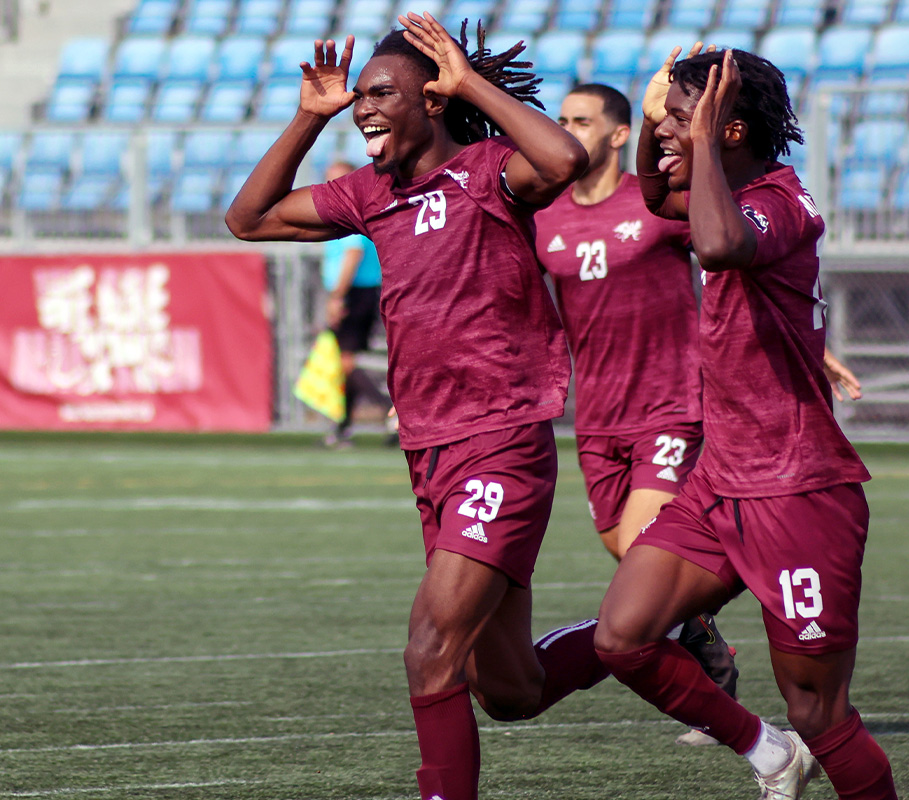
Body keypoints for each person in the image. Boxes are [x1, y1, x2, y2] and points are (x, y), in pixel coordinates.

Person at [226, 14, 611, 800]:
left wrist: (469, 80)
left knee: (430, 649)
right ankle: (646, 633)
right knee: (509, 690)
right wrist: (309, 115)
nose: (363, 106)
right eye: (359, 95)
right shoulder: (372, 193)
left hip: (501, 440)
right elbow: (248, 219)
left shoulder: (490, 171)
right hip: (430, 451)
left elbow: (565, 158)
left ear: (432, 100)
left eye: (380, 93)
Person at [593, 46, 898, 800]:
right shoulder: (717, 188)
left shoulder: (779, 202)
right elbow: (659, 196)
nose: (664, 128)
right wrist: (665, 114)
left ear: (728, 132)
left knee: (820, 712)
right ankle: (769, 753)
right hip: (720, 482)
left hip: (798, 493)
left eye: (679, 117)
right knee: (622, 638)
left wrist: (690, 139)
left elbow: (718, 243)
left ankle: (806, 748)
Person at [534, 82, 739, 745]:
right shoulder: (544, 218)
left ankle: (712, 686)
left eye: (583, 121)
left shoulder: (656, 205)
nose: (568, 131)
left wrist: (803, 345)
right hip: (595, 419)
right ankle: (704, 638)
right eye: (561, 121)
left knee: (641, 557)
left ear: (620, 135)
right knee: (628, 554)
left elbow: (733, 259)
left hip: (670, 406)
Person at [318, 160, 387, 448]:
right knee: (347, 360)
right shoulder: (349, 210)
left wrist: (337, 297)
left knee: (348, 362)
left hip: (355, 293)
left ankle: (389, 414)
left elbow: (352, 253)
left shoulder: (351, 212)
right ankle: (343, 427)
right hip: (357, 292)